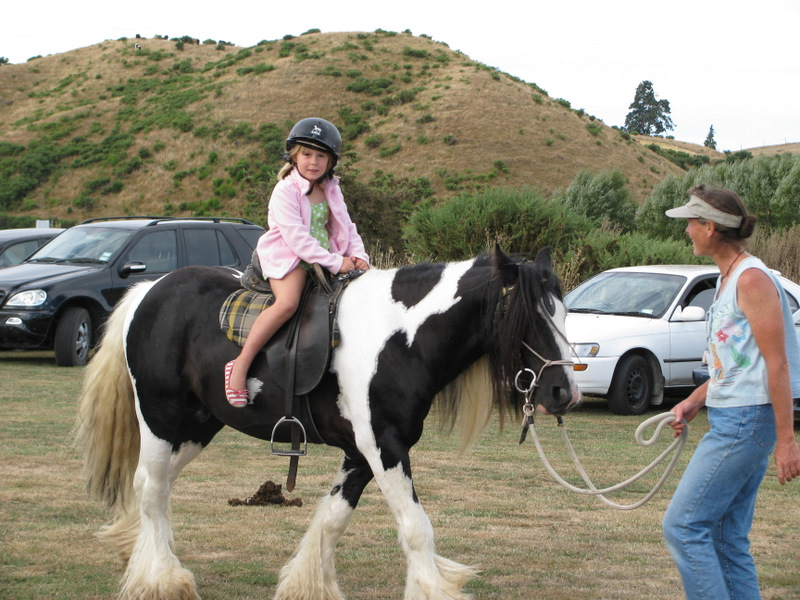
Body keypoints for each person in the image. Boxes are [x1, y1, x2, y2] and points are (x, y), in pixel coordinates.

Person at [661, 184, 800, 599]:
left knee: (683, 526)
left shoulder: (752, 279)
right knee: (724, 535)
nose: (686, 229)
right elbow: (738, 363)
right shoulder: (728, 279)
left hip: (745, 421)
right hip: (735, 415)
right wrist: (693, 400)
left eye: (690, 222)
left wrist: (787, 441)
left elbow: (778, 363)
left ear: (710, 226)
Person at [224, 117, 370, 407]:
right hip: (288, 256)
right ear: (294, 155)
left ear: (331, 161)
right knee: (288, 303)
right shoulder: (285, 190)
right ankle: (239, 366)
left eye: (321, 156)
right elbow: (297, 239)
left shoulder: (330, 188)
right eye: (307, 154)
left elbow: (346, 227)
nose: (313, 162)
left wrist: (359, 256)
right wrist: (335, 263)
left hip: (323, 257)